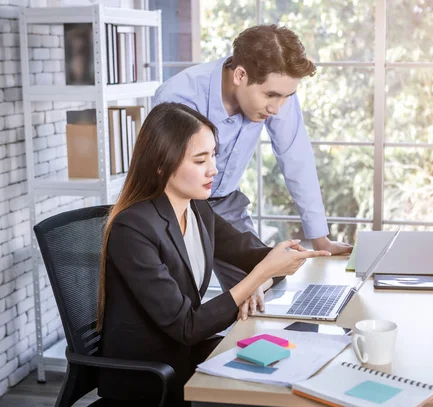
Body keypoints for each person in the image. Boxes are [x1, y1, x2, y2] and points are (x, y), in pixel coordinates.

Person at [96, 102, 331, 406]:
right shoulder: (133, 229)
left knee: (296, 368)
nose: (214, 169)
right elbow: (187, 326)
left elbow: (252, 255)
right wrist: (260, 275)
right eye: (199, 159)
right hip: (151, 377)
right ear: (161, 165)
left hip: (182, 355)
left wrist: (282, 260)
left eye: (213, 155)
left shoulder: (198, 209)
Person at [153, 24, 353, 295]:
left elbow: (296, 157)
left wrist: (320, 239)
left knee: (267, 287)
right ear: (240, 74)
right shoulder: (180, 96)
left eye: (286, 97)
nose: (276, 108)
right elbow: (165, 177)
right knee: (179, 300)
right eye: (270, 95)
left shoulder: (277, 94)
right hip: (177, 207)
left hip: (227, 204)